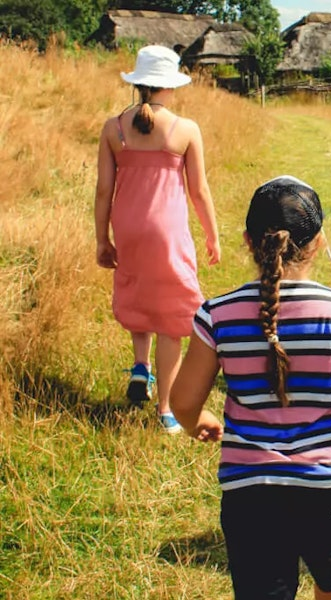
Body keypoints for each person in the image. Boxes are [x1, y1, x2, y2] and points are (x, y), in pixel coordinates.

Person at [170, 176, 331, 600]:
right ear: (319, 242)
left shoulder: (216, 314)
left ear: (248, 242)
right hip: (327, 485)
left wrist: (197, 419)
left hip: (249, 491)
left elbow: (182, 400)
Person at [94, 44, 220, 433]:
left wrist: (102, 239)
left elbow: (103, 190)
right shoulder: (185, 129)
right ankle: (166, 409)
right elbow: (198, 190)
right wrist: (213, 236)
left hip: (128, 227)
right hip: (166, 230)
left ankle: (140, 366)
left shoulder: (114, 128)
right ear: (170, 85)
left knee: (139, 292)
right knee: (172, 318)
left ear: (139, 83)